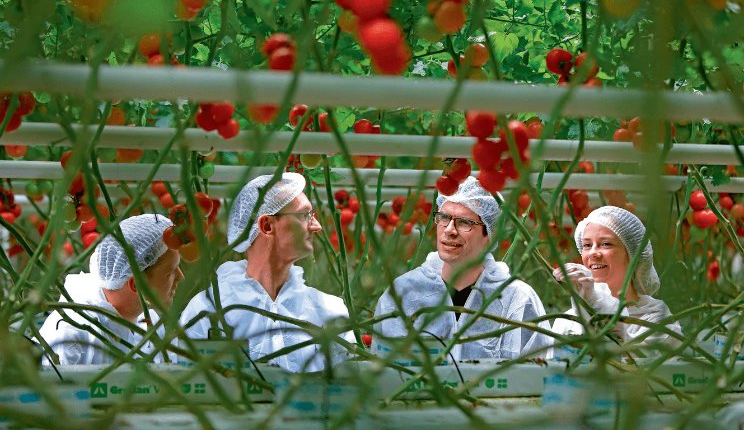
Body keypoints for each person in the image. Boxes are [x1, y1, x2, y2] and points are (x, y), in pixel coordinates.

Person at [180, 173, 354, 373]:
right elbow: (190, 386)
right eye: (305, 215)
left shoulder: (328, 311)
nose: (316, 226)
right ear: (267, 226)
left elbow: (347, 387)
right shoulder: (208, 310)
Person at [374, 176, 552, 360]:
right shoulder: (404, 293)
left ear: (488, 236)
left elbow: (537, 374)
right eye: (444, 218)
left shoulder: (516, 299)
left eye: (464, 222)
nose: (449, 230)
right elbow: (384, 372)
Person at [39, 214, 183, 365]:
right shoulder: (72, 334)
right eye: (171, 272)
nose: (181, 277)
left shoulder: (150, 323)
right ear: (136, 285)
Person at [552, 206, 682, 347]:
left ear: (633, 255)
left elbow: (633, 361)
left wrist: (596, 302)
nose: (593, 253)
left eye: (606, 244)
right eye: (587, 245)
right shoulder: (567, 321)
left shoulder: (656, 318)